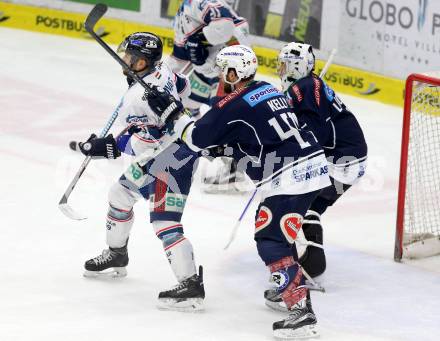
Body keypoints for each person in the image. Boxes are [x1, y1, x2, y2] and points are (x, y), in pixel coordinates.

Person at [146, 45, 332, 339]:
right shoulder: (267, 89)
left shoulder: (232, 103)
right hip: (313, 166)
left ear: (235, 72)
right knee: (280, 232)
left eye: (224, 70)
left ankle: (302, 312)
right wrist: (226, 145)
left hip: (289, 175)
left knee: (270, 240)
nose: (221, 76)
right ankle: (291, 290)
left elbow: (194, 137)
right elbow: (253, 132)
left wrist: (173, 113)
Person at [77, 32, 205, 312]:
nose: (123, 61)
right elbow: (183, 88)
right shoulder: (164, 70)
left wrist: (107, 146)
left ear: (141, 61)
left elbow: (144, 142)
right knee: (120, 195)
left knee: (164, 223)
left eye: (129, 57)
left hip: (171, 160)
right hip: (162, 153)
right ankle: (117, 254)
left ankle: (191, 284)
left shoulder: (137, 97)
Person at [264, 42, 368, 312]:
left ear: (297, 66)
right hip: (348, 160)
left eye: (285, 63)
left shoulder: (306, 87)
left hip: (341, 161)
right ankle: (311, 263)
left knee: (290, 202)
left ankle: (299, 272)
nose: (280, 69)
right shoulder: (305, 87)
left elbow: (313, 134)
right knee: (308, 207)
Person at [166, 0, 250, 192]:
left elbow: (226, 28)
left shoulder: (202, 3)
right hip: (208, 70)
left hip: (233, 64)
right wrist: (158, 76)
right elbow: (180, 57)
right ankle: (194, 144)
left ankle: (233, 169)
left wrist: (200, 39)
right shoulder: (183, 13)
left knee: (224, 114)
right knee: (182, 103)